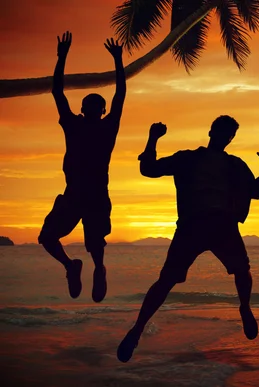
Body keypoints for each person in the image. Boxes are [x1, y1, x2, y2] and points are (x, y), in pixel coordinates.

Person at [117, 117, 259, 363]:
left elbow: (256, 192)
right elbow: (149, 169)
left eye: (229, 134)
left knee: (242, 269)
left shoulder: (235, 165)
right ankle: (137, 329)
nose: (225, 137)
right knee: (166, 280)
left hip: (223, 225)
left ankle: (244, 307)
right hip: (192, 225)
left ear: (231, 138)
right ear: (211, 132)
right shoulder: (188, 158)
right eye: (222, 132)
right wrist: (153, 138)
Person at [38, 31, 126, 303]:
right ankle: (70, 266)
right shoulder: (73, 124)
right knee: (47, 237)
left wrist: (118, 62)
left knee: (96, 245)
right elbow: (57, 92)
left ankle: (99, 269)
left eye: (97, 105)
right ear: (82, 108)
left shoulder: (107, 127)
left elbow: (120, 94)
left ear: (100, 111)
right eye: (89, 104)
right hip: (75, 193)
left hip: (96, 194)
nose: (93, 107)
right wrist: (61, 57)